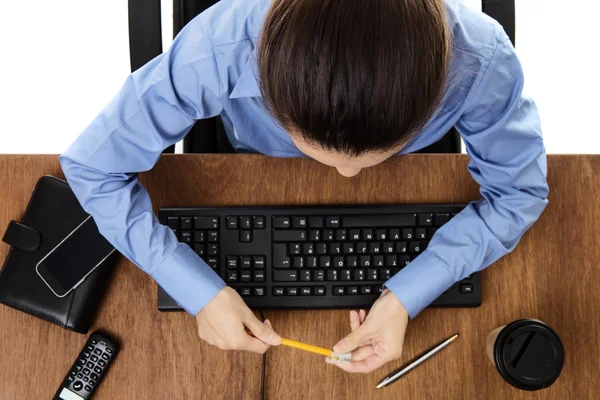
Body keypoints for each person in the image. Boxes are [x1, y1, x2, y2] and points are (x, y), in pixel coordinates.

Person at [60, 0, 548, 374]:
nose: (348, 177)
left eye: (367, 160)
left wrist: (405, 297)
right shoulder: (220, 47)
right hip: (250, 162)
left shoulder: (481, 62)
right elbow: (91, 165)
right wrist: (197, 291)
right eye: (326, 155)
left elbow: (520, 192)